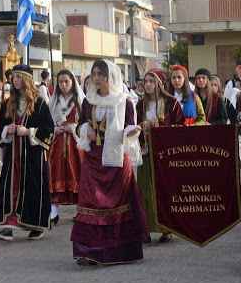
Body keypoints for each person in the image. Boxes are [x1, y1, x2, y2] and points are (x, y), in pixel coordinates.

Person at [72, 59, 148, 266]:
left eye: (101, 74)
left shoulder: (124, 101)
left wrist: (131, 132)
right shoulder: (89, 101)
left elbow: (129, 126)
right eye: (94, 74)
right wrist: (83, 128)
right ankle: (88, 251)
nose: (96, 78)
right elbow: (79, 124)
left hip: (115, 159)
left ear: (110, 76)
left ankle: (118, 252)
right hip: (93, 158)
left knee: (116, 203)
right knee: (90, 201)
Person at [0, 64, 54, 241]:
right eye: (13, 77)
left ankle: (36, 224)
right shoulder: (8, 103)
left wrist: (29, 132)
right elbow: (0, 125)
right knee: (11, 187)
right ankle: (8, 226)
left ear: (26, 79)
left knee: (33, 188)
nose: (15, 80)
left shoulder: (40, 103)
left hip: (32, 156)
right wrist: (7, 130)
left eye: (18, 77)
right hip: (13, 155)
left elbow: (48, 128)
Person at [136, 68, 185, 243]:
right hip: (145, 151)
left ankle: (166, 229)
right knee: (145, 189)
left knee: (164, 190)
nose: (147, 85)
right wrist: (141, 126)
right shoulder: (139, 104)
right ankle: (145, 229)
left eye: (151, 81)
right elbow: (134, 126)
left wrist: (158, 123)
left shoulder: (172, 103)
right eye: (145, 81)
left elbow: (181, 128)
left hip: (165, 154)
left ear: (160, 83)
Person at [48, 69, 85, 226]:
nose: (63, 85)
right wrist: (54, 129)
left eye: (66, 82)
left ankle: (79, 210)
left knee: (77, 173)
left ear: (72, 82)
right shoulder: (54, 101)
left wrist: (74, 127)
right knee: (55, 174)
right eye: (60, 82)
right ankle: (53, 211)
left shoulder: (80, 101)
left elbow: (86, 122)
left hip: (76, 144)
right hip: (57, 143)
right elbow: (48, 122)